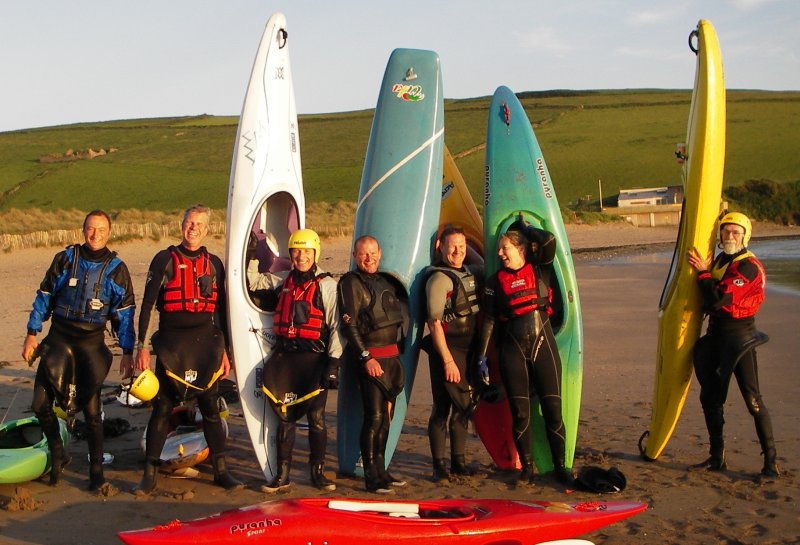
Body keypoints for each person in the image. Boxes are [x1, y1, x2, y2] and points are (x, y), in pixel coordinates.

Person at [21, 210, 136, 490]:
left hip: (91, 343)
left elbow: (125, 312)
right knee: (39, 404)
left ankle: (96, 472)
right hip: (59, 337)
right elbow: (45, 295)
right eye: (90, 228)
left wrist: (128, 351)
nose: (95, 234)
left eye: (100, 229)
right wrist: (31, 334)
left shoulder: (116, 269)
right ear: (83, 230)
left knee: (93, 414)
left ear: (109, 233)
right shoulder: (65, 259)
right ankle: (58, 453)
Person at [133, 204, 242, 494]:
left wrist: (225, 351)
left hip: (206, 343)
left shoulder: (214, 264)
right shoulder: (164, 259)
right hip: (172, 343)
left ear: (207, 230)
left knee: (210, 408)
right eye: (189, 222)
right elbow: (146, 306)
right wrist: (141, 347)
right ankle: (149, 474)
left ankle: (221, 470)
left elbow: (221, 312)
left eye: (199, 224)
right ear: (182, 225)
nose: (193, 228)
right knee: (163, 409)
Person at [246, 229, 344, 493]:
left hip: (314, 360)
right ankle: (282, 474)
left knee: (317, 418)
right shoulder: (282, 280)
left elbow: (336, 327)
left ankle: (318, 473)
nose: (301, 257)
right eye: (296, 252)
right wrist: (253, 252)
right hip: (287, 358)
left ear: (316, 253)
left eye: (306, 252)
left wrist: (333, 364)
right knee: (284, 417)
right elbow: (253, 282)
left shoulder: (327, 286)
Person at [475, 224, 574, 487]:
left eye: (505, 247)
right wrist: (482, 357)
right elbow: (489, 321)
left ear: (520, 249)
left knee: (553, 409)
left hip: (543, 346)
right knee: (520, 413)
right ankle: (527, 468)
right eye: (499, 249)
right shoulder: (494, 282)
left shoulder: (539, 269)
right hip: (512, 351)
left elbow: (550, 240)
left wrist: (526, 228)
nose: (500, 253)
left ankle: (561, 467)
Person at [687, 212, 779, 479]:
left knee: (753, 400)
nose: (730, 236)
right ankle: (717, 458)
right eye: (726, 232)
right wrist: (706, 273)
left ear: (745, 236)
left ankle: (771, 463)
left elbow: (717, 300)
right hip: (716, 336)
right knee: (710, 397)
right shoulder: (720, 261)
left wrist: (703, 274)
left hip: (740, 339)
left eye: (735, 232)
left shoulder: (748, 266)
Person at [337, 235, 408, 494]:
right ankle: (371, 477)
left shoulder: (384, 282)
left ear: (380, 253)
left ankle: (382, 470)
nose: (369, 259)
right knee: (374, 417)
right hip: (371, 360)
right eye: (364, 254)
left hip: (391, 360)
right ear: (356, 256)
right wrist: (366, 358)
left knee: (385, 419)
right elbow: (350, 326)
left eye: (373, 253)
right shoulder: (350, 283)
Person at [422, 226, 482, 482]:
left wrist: (468, 246)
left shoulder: (470, 272)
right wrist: (447, 360)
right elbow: (434, 322)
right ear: (441, 248)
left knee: (463, 407)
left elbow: (483, 262)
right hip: (445, 351)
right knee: (442, 408)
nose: (457, 252)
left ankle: (458, 462)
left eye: (462, 246)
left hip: (467, 350)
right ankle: (439, 466)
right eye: (452, 246)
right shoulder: (438, 279)